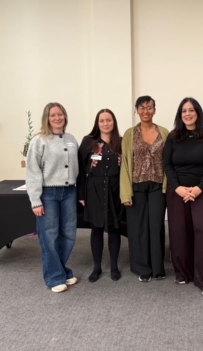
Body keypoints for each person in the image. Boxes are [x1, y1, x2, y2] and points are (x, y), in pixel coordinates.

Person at [163, 97, 203, 298]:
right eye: (184, 111)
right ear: (180, 115)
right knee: (179, 231)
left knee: (202, 229)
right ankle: (183, 273)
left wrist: (198, 188)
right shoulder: (173, 137)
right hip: (178, 191)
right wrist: (178, 188)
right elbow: (167, 164)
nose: (187, 114)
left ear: (198, 113)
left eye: (191, 110)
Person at [26, 102, 79, 293]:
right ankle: (54, 277)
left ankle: (61, 270)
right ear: (46, 119)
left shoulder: (71, 139)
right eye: (53, 115)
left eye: (60, 114)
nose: (57, 118)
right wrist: (35, 200)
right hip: (48, 194)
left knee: (69, 234)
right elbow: (32, 171)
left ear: (65, 116)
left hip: (69, 192)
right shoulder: (39, 141)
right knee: (49, 236)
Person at [120, 96, 168, 283]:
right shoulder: (130, 134)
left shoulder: (164, 132)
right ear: (136, 110)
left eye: (149, 107)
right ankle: (142, 268)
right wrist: (125, 193)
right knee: (138, 227)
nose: (145, 111)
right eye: (142, 107)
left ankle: (157, 267)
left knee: (156, 226)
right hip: (136, 186)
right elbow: (125, 164)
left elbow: (168, 161)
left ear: (154, 110)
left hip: (158, 186)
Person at [77, 109, 122, 282]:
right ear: (97, 123)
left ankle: (114, 266)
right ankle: (97, 267)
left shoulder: (120, 142)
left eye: (108, 120)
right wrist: (81, 194)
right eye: (102, 120)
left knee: (114, 228)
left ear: (113, 122)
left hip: (114, 190)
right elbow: (80, 169)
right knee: (96, 229)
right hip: (94, 190)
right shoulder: (88, 142)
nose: (105, 124)